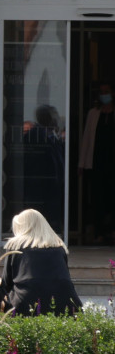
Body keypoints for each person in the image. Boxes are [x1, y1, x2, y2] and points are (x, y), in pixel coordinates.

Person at [0, 208, 82, 316]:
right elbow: (62, 279)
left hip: (25, 306)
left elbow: (7, 284)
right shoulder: (59, 247)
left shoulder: (15, 246)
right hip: (66, 305)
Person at [79, 82, 115, 242]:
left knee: (112, 197)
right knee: (97, 198)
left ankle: (112, 230)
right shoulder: (93, 114)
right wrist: (82, 163)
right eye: (101, 92)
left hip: (112, 164)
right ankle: (99, 232)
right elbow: (87, 138)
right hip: (97, 163)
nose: (104, 95)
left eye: (106, 92)